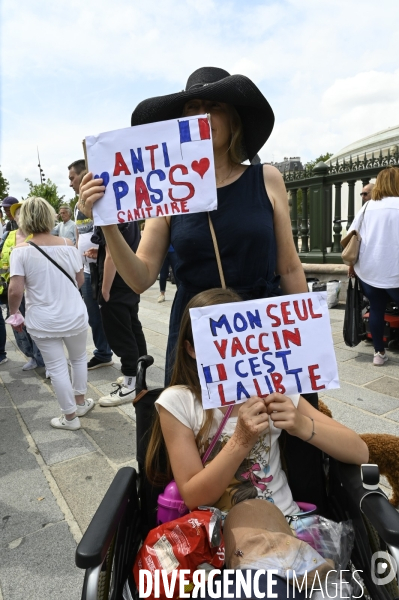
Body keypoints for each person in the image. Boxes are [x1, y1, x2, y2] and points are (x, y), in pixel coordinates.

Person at [78, 67, 308, 384]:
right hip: (195, 334)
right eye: (192, 109)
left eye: (214, 107)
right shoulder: (167, 192)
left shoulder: (267, 178)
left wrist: (306, 343)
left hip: (261, 329)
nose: (202, 116)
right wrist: (108, 223)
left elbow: (290, 269)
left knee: (267, 426)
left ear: (233, 119)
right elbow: (140, 278)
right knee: (200, 430)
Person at [145, 289, 369, 597]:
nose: (233, 353)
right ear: (191, 349)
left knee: (257, 521)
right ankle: (300, 570)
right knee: (248, 514)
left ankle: (294, 565)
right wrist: (241, 440)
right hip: (214, 537)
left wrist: (303, 425)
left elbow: (359, 450)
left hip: (286, 524)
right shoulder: (179, 402)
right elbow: (196, 494)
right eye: (218, 345)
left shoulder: (276, 391)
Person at [8, 196, 94, 430]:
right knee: (78, 358)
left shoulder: (20, 251)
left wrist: (14, 313)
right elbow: (78, 279)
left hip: (43, 319)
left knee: (56, 367)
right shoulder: (68, 244)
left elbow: (15, 289)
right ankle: (81, 401)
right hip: (74, 314)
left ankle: (70, 418)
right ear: (50, 216)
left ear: (23, 220)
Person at [88, 223, 147, 406]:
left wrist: (104, 291)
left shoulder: (110, 214)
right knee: (132, 328)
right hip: (129, 279)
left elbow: (112, 256)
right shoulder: (128, 215)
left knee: (120, 334)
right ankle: (139, 376)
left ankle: (130, 383)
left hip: (116, 284)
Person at [348, 167, 399, 366]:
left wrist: (352, 265)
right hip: (395, 271)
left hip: (369, 270)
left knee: (376, 309)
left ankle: (378, 353)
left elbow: (352, 237)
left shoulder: (367, 207)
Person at [69, 159, 113, 370]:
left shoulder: (101, 198)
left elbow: (111, 231)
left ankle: (130, 358)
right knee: (93, 315)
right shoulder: (78, 205)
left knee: (114, 312)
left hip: (105, 267)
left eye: (72, 178)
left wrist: (101, 251)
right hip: (86, 268)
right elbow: (79, 235)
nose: (70, 183)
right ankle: (103, 352)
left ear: (83, 174)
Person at [1, 202, 46, 370]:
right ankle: (32, 356)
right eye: (16, 214)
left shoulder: (37, 236)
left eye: (22, 213)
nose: (19, 216)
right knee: (19, 327)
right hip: (11, 289)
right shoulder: (8, 235)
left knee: (36, 326)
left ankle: (45, 360)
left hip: (32, 290)